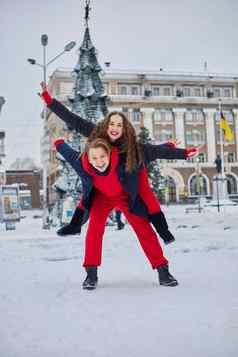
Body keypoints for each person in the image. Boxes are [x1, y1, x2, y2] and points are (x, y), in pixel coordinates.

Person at [39, 82, 198, 245]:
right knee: (88, 193)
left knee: (149, 200)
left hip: (130, 175)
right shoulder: (97, 134)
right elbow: (73, 120)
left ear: (124, 129)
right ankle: (75, 225)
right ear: (107, 126)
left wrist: (182, 153)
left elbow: (153, 151)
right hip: (106, 179)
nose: (114, 128)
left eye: (119, 125)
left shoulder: (131, 146)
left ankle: (164, 232)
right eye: (112, 124)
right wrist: (49, 101)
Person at [54, 137, 183, 290]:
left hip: (125, 196)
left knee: (144, 229)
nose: (99, 161)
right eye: (94, 158)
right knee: (94, 230)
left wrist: (168, 145)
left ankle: (163, 270)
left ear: (109, 154)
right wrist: (58, 143)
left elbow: (146, 152)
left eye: (103, 156)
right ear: (88, 158)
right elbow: (68, 153)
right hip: (101, 197)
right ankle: (91, 274)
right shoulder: (82, 164)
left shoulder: (123, 161)